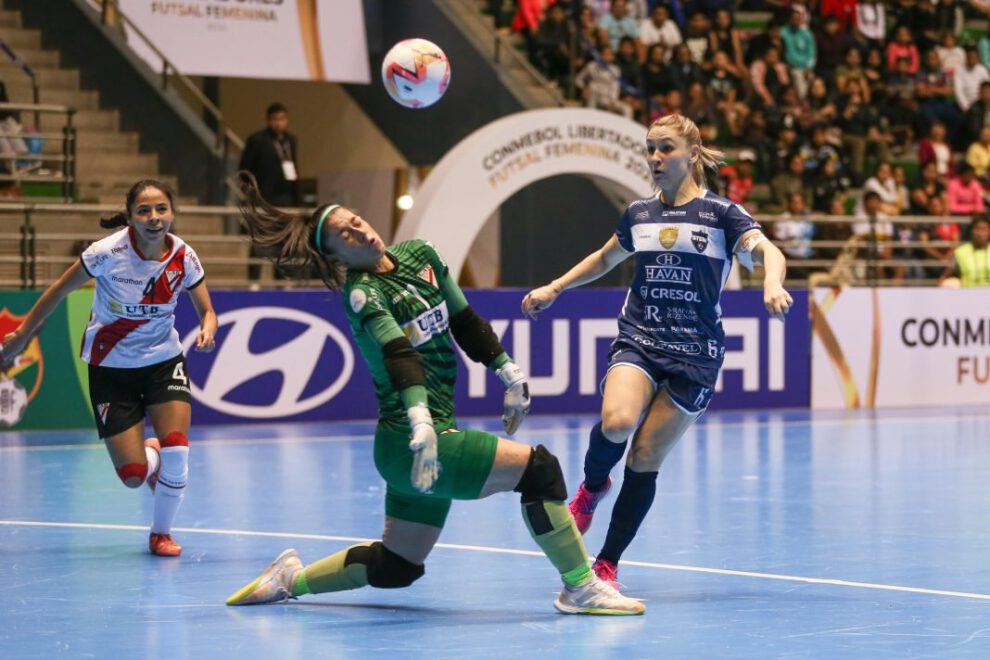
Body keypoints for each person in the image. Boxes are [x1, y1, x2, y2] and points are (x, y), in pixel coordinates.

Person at [224, 172, 644, 615]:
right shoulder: (362, 293)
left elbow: (464, 321)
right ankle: (580, 587)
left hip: (415, 445)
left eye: (357, 220)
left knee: (397, 566)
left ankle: (290, 579)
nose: (360, 230)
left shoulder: (420, 255)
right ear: (336, 257)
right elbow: (398, 353)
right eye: (344, 234)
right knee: (539, 471)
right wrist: (422, 423)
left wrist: (508, 372)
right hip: (413, 442)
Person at [521, 115, 792, 588]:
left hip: (697, 354)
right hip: (642, 338)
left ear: (692, 153)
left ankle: (607, 562)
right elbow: (606, 257)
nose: (655, 158)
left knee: (644, 457)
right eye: (650, 149)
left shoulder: (722, 216)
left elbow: (770, 251)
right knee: (618, 422)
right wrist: (556, 287)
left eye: (665, 148)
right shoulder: (640, 214)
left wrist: (771, 282)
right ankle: (591, 487)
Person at [0, 179, 217, 556]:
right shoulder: (105, 253)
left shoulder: (184, 257)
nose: (154, 218)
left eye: (161, 209)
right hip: (110, 367)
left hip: (163, 362)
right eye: (144, 211)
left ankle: (160, 533)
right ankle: (150, 463)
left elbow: (206, 310)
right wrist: (21, 335)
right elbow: (57, 292)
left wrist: (209, 328)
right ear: (131, 217)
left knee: (178, 450)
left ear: (172, 213)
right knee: (133, 476)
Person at [239, 102, 301, 282]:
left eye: (282, 119)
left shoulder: (291, 140)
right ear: (268, 120)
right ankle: (254, 280)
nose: (279, 123)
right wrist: (253, 195)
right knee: (260, 240)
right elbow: (245, 169)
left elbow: (295, 168)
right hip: (264, 199)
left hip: (287, 198)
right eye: (275, 119)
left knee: (285, 242)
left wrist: (297, 199)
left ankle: (282, 279)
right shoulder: (257, 140)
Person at [941, 214, 990, 287]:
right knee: (948, 283)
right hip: (967, 293)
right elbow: (944, 277)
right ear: (972, 231)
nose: (980, 233)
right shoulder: (961, 251)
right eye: (977, 229)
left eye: (983, 229)